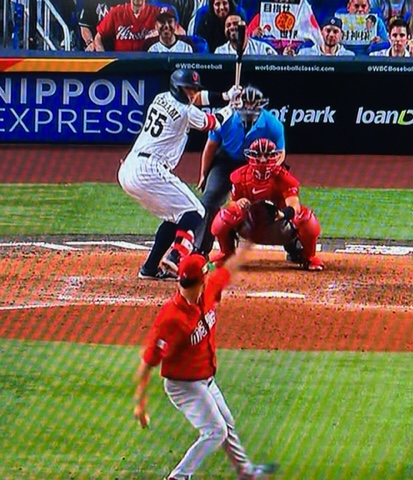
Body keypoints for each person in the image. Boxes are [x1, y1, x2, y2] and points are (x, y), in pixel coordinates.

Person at [133, 250, 279, 479]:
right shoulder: (172, 318)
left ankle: (246, 473)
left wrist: (248, 243)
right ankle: (178, 477)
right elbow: (148, 363)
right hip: (183, 385)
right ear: (201, 280)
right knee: (215, 431)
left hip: (206, 379)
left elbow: (227, 269)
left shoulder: (206, 291)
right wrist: (140, 405)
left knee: (226, 425)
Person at [117, 69, 240, 280]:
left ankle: (149, 268)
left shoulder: (161, 97)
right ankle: (175, 257)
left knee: (175, 218)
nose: (192, 93)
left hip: (129, 167)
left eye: (194, 89)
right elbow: (212, 122)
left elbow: (197, 99)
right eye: (188, 89)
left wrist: (225, 95)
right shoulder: (185, 112)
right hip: (149, 169)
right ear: (178, 88)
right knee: (196, 212)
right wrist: (231, 108)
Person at [194, 86, 286, 258]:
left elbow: (281, 153)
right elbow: (210, 147)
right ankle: (200, 250)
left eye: (253, 104)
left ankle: (295, 249)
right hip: (226, 161)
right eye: (246, 103)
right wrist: (204, 175)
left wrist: (269, 170)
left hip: (258, 164)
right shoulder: (225, 119)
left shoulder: (273, 124)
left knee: (284, 199)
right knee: (209, 200)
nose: (249, 108)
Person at [210, 138, 324, 271]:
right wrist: (238, 203)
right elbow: (232, 203)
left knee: (307, 218)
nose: (263, 160)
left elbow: (294, 207)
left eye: (267, 155)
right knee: (223, 217)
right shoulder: (239, 176)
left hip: (279, 227)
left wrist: (279, 214)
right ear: (250, 156)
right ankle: (226, 255)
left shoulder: (284, 178)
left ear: (275, 156)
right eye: (258, 155)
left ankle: (308, 257)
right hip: (250, 226)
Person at [284, 16, 356, 56]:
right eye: (328, 30)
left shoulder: (348, 56)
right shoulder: (305, 54)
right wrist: (289, 58)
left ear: (341, 35)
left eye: (335, 31)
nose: (331, 34)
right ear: (321, 32)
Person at [214, 13, 279, 54]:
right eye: (228, 25)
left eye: (235, 24)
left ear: (245, 27)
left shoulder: (262, 48)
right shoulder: (220, 52)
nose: (232, 27)